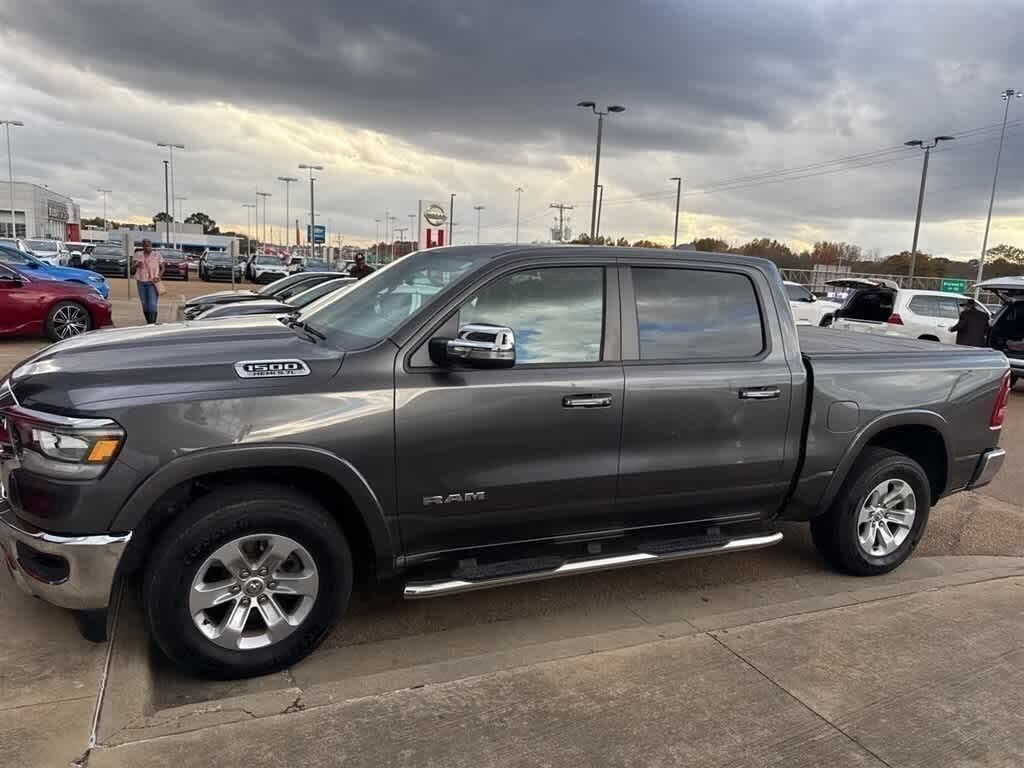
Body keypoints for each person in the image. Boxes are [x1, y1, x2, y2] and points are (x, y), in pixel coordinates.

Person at [132, 239, 165, 324]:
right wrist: (136, 265)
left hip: (152, 282)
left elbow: (163, 268)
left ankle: (152, 322)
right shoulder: (138, 254)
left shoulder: (156, 255)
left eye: (148, 245)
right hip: (141, 282)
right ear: (142, 246)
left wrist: (159, 276)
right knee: (144, 303)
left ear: (151, 245)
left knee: (152, 303)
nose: (147, 247)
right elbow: (131, 269)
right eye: (145, 246)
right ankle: (148, 322)